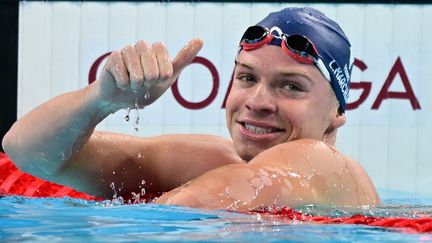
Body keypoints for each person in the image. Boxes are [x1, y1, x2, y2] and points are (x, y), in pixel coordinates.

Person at [2, 7, 380, 210]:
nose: (257, 102)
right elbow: (27, 153)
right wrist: (101, 99)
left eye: (291, 86)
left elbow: (195, 206)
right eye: (247, 78)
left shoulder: (325, 163)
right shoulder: (217, 161)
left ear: (337, 112)